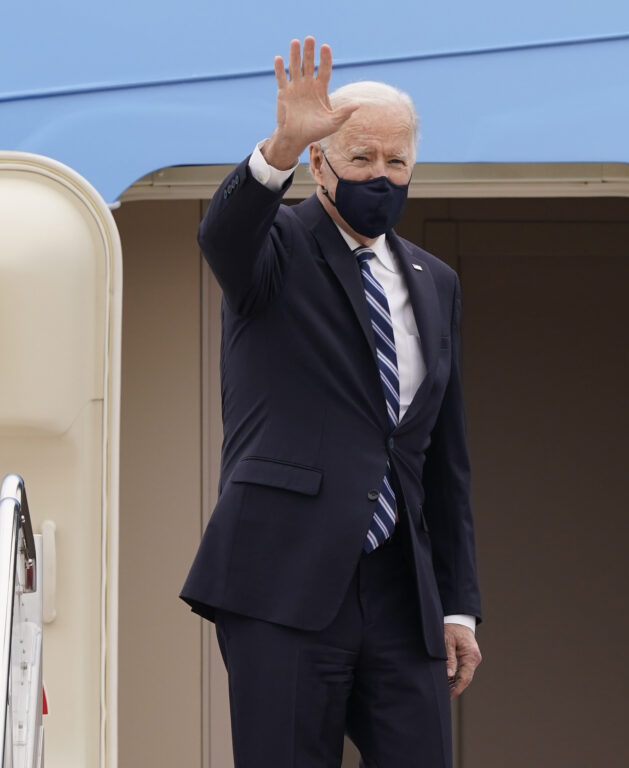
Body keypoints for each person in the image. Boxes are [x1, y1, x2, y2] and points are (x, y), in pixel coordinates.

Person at [180, 37, 482, 768]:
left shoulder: (433, 280)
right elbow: (223, 234)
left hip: (400, 593)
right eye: (361, 159)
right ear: (321, 165)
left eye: (397, 162)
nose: (381, 176)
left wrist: (457, 603)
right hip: (285, 578)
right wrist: (279, 144)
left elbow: (443, 457)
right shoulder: (275, 248)